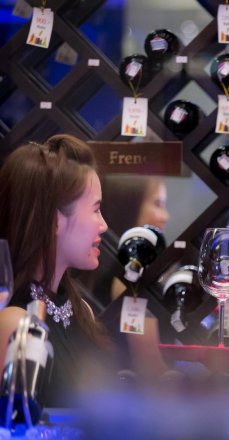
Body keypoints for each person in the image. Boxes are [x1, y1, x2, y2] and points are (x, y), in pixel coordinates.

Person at [0, 135, 165, 407]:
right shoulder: (16, 325)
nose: (103, 225)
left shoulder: (81, 312)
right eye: (96, 209)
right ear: (54, 220)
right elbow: (17, 428)